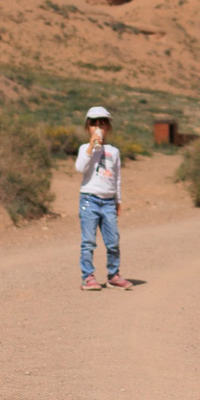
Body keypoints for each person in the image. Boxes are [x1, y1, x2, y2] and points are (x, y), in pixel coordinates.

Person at [74, 106, 129, 290]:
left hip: (108, 202)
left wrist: (117, 200)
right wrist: (91, 146)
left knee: (113, 241)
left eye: (102, 125)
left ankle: (114, 275)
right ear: (87, 128)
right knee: (88, 242)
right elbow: (80, 168)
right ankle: (88, 277)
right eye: (94, 125)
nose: (98, 128)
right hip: (89, 200)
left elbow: (117, 178)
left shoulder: (114, 151)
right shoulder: (84, 148)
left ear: (108, 128)